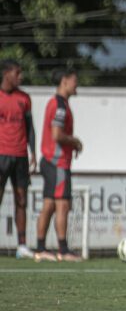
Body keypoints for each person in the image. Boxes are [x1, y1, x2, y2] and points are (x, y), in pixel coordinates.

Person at [35, 68, 83, 262]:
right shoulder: (60, 105)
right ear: (64, 80)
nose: (77, 84)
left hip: (50, 161)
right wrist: (75, 141)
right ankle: (63, 250)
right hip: (57, 162)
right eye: (74, 80)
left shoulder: (56, 103)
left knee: (49, 204)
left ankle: (40, 249)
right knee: (62, 205)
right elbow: (57, 134)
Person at [0, 60, 37, 259]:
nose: (20, 77)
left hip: (21, 155)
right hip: (1, 154)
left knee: (21, 199)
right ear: (6, 74)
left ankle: (22, 246)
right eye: (17, 73)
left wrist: (33, 152)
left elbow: (30, 127)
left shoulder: (24, 98)